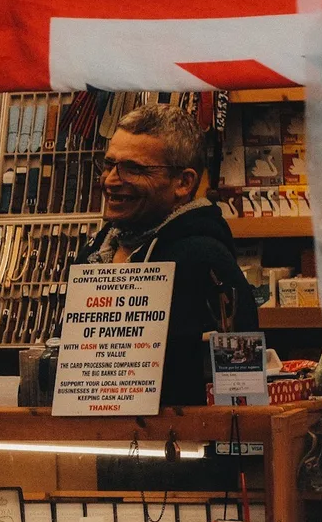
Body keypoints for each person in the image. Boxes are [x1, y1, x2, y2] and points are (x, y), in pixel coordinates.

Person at [83, 103, 258, 406]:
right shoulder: (94, 253)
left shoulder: (205, 259)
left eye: (134, 168)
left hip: (178, 446)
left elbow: (241, 384)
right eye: (109, 164)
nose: (111, 180)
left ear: (183, 183)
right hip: (100, 442)